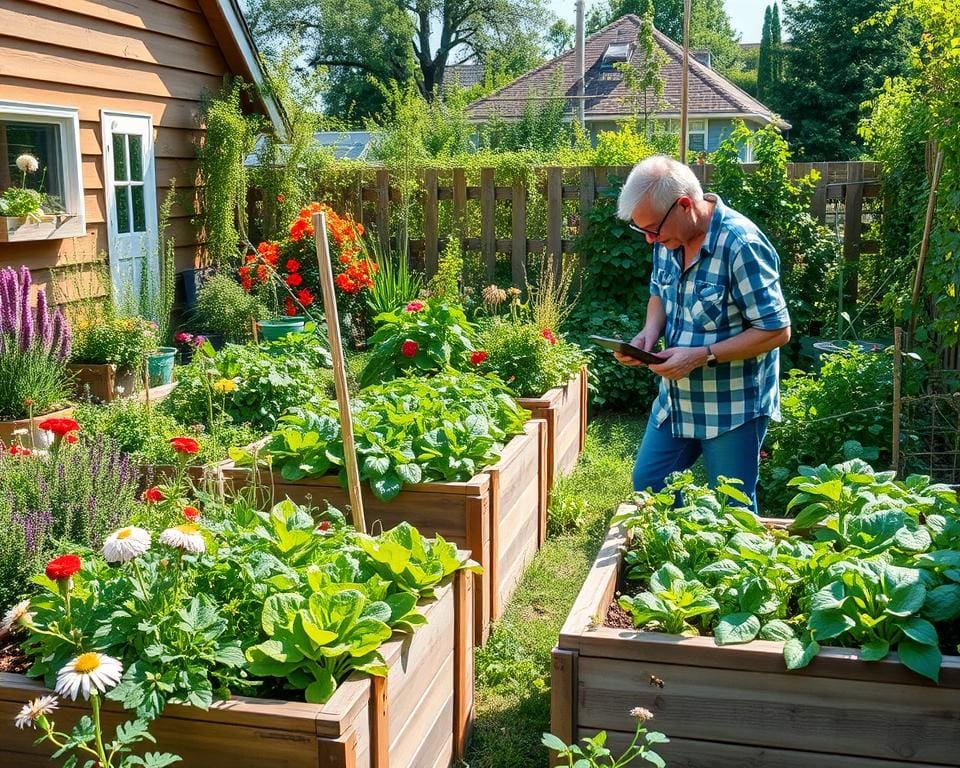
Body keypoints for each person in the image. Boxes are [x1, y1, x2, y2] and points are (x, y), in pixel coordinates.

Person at [613, 155, 791, 512]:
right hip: (677, 399)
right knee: (650, 483)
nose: (649, 240)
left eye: (652, 229)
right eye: (642, 230)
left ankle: (731, 565)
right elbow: (658, 294)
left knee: (732, 508)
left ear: (683, 206)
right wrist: (648, 334)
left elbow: (776, 330)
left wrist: (701, 355)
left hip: (733, 405)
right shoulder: (670, 239)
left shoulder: (741, 245)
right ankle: (683, 555)